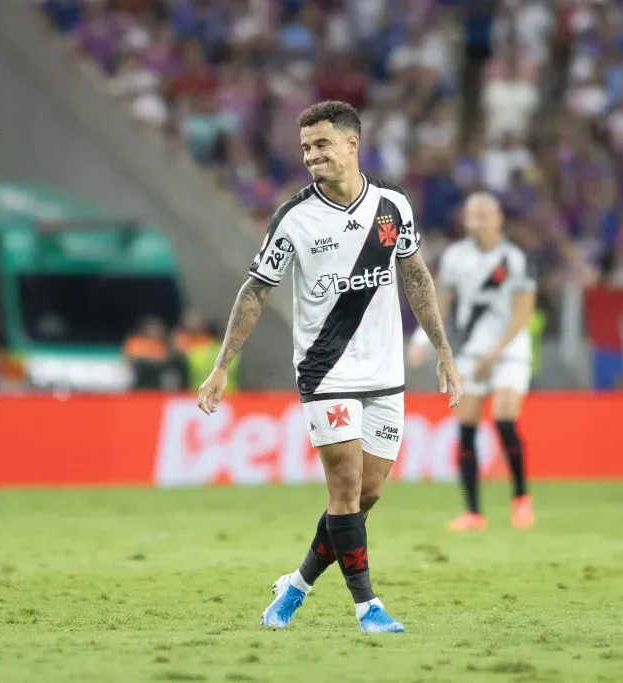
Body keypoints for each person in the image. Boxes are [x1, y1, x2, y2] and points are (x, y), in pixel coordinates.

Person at [196, 100, 462, 633]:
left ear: (351, 144)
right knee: (343, 486)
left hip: (385, 371)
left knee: (367, 495)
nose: (312, 155)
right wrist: (223, 364)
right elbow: (256, 290)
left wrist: (443, 350)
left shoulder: (392, 206)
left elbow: (416, 277)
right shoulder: (295, 217)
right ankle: (369, 608)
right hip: (325, 371)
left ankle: (294, 587)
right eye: (305, 148)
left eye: (321, 145)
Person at [408, 192, 537, 532]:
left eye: (483, 216)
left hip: (509, 352)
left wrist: (495, 354)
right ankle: (474, 513)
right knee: (466, 427)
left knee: (505, 417)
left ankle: (521, 499)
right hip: (470, 353)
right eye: (471, 216)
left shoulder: (515, 259)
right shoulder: (454, 257)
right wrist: (423, 340)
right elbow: (441, 302)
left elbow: (524, 312)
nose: (477, 223)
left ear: (498, 220)